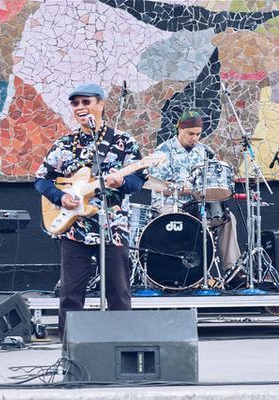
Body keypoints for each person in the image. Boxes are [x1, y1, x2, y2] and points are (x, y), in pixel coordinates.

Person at [34, 83, 146, 337]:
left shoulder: (122, 141)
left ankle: (121, 345)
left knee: (118, 291)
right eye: (76, 104)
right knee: (71, 293)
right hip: (75, 228)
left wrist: (123, 182)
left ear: (101, 104)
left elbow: (139, 180)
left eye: (86, 102)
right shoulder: (65, 144)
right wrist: (61, 198)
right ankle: (69, 348)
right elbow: (41, 179)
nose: (81, 108)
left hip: (113, 226)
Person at [148, 110, 241, 271]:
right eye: (191, 133)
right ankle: (168, 269)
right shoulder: (163, 151)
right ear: (180, 129)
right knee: (168, 215)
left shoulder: (205, 151)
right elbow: (158, 185)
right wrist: (182, 188)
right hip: (171, 204)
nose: (195, 138)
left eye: (198, 134)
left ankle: (232, 269)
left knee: (228, 218)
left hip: (199, 205)